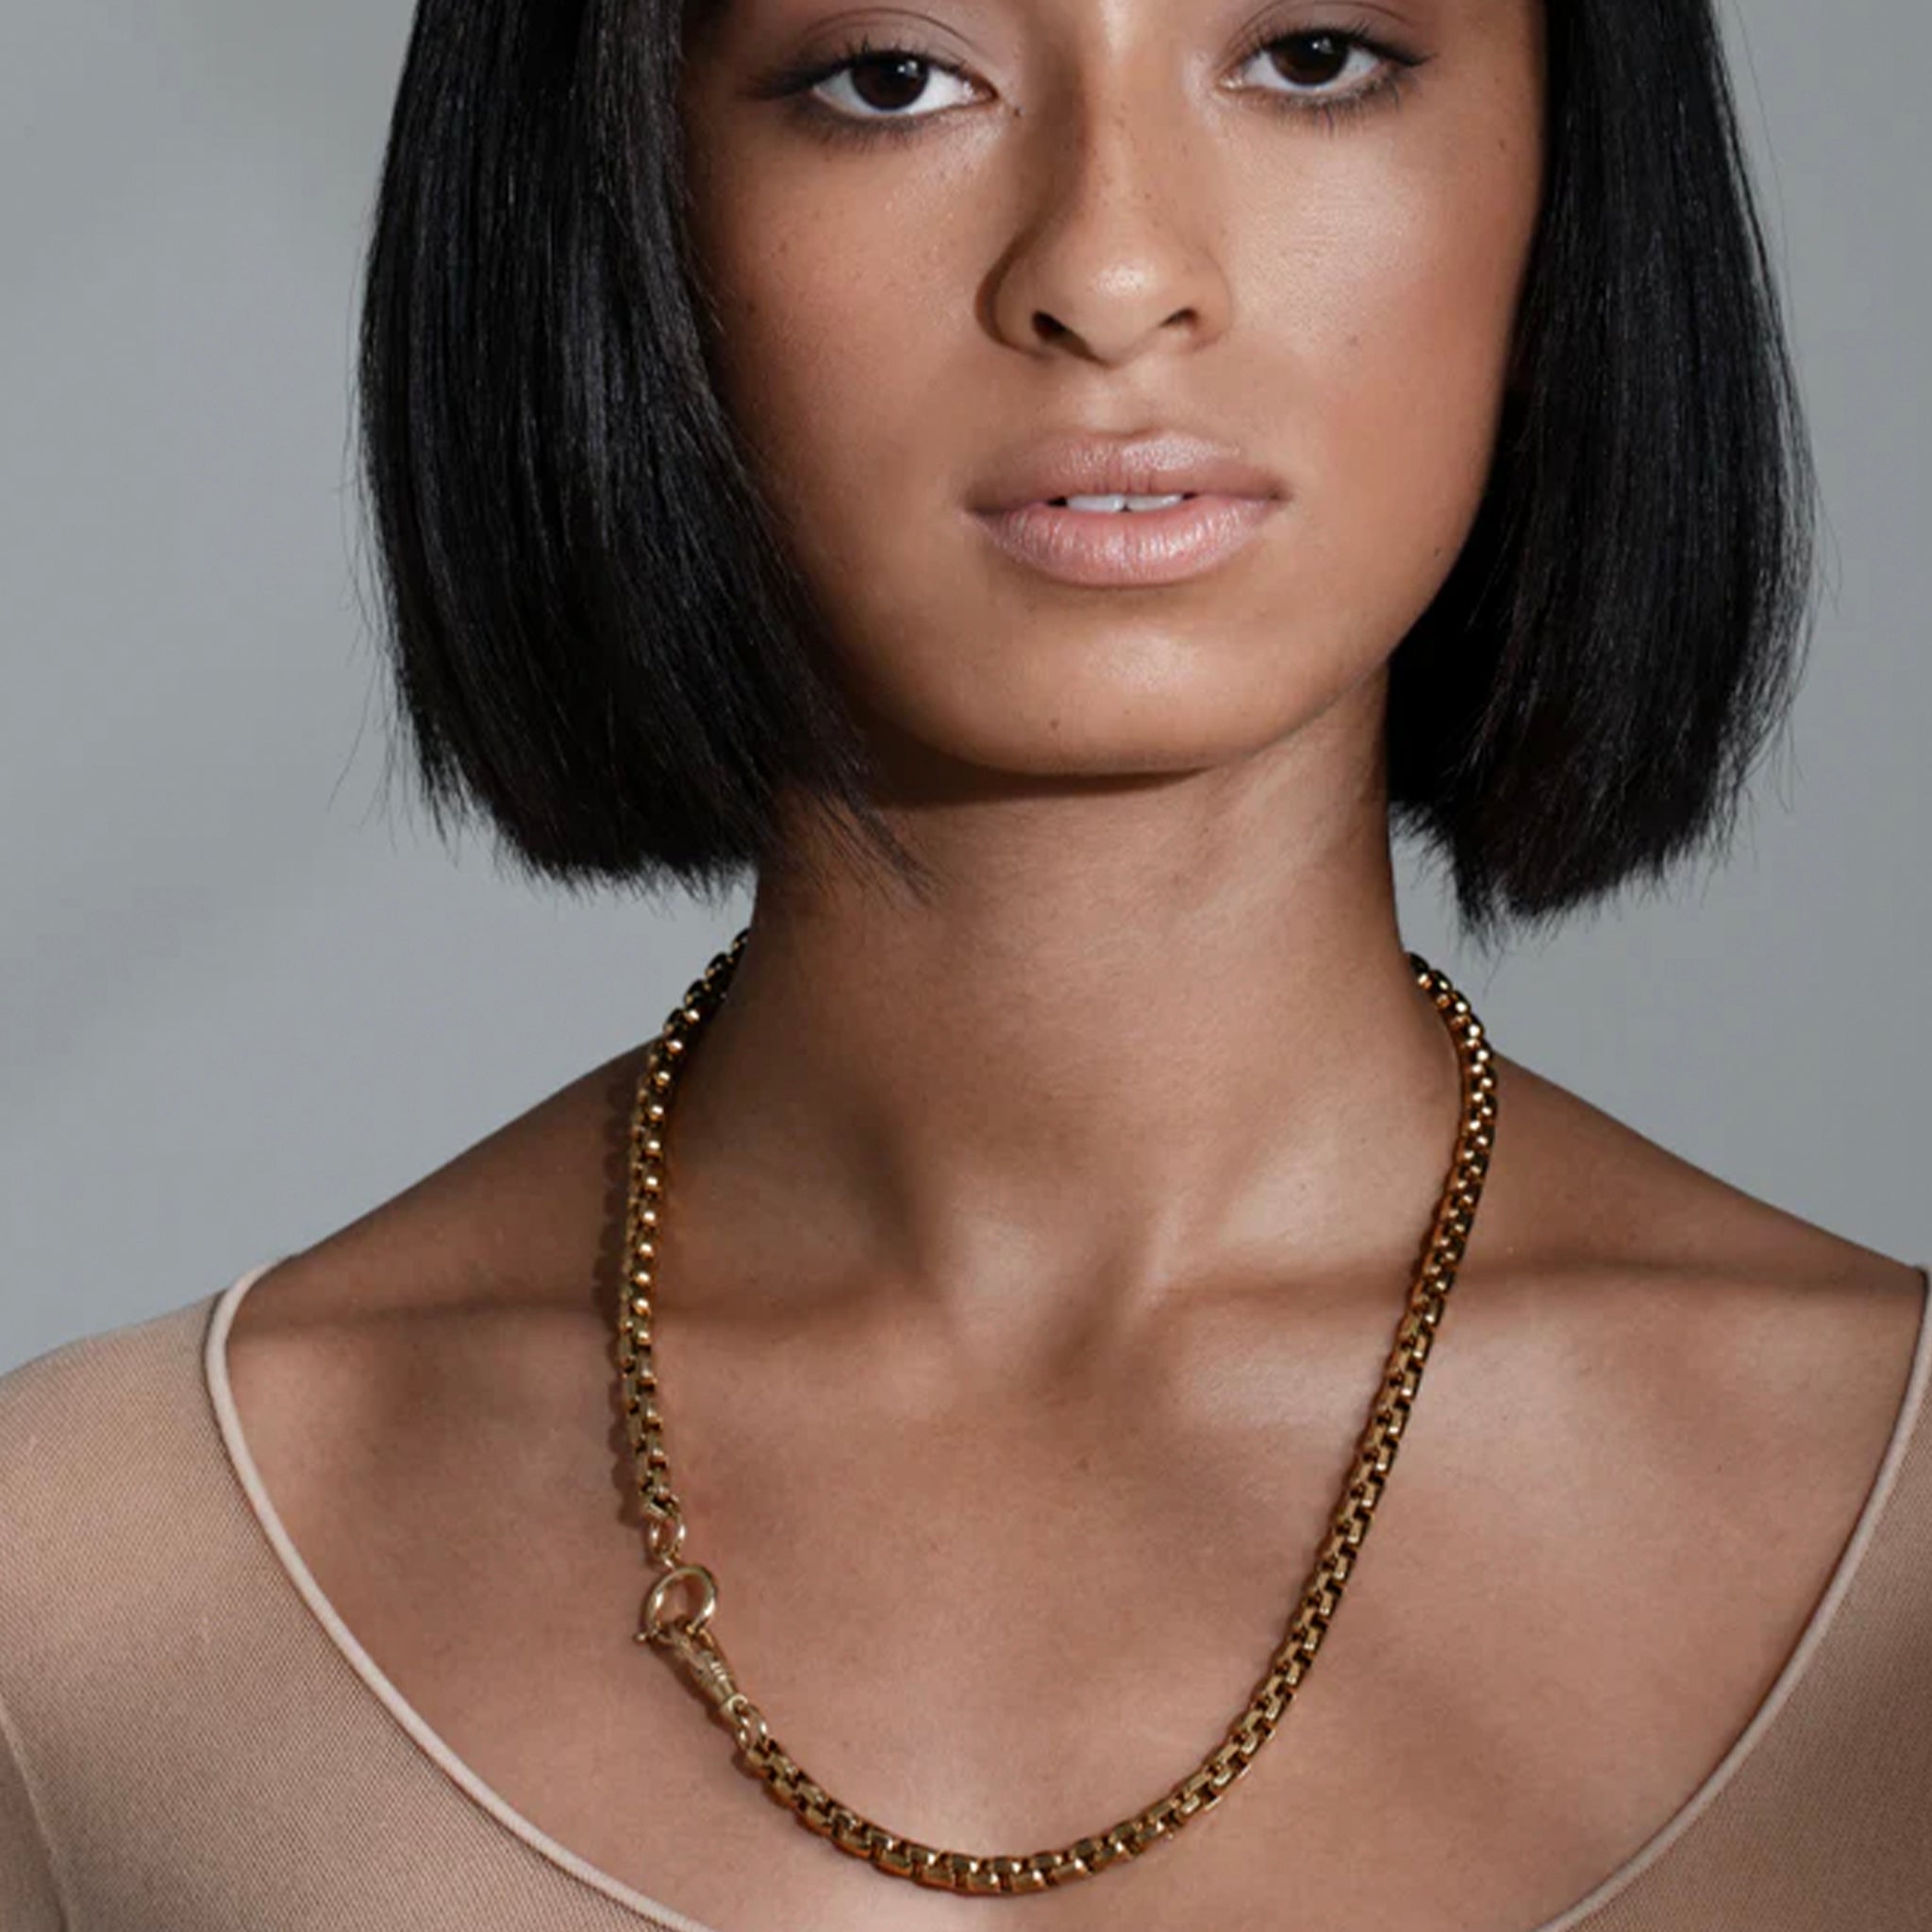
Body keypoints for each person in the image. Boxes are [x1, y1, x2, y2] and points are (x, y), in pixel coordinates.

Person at [3, 0, 1926, 1926]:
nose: (1112, 271)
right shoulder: (84, 1603)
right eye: (892, 78)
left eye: (1311, 56)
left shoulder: (1895, 1553)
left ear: (1572, 162)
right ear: (613, 189)